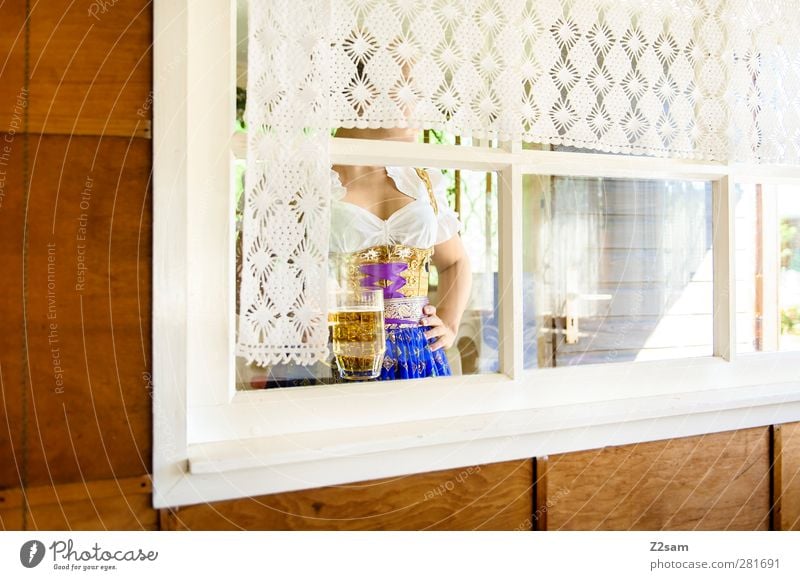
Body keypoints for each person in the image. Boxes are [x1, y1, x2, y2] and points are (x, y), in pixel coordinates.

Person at [330, 126, 472, 380]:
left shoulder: (419, 179)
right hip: (342, 348)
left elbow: (455, 261)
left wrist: (449, 323)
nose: (415, 110)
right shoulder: (314, 176)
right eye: (403, 90)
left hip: (418, 352)